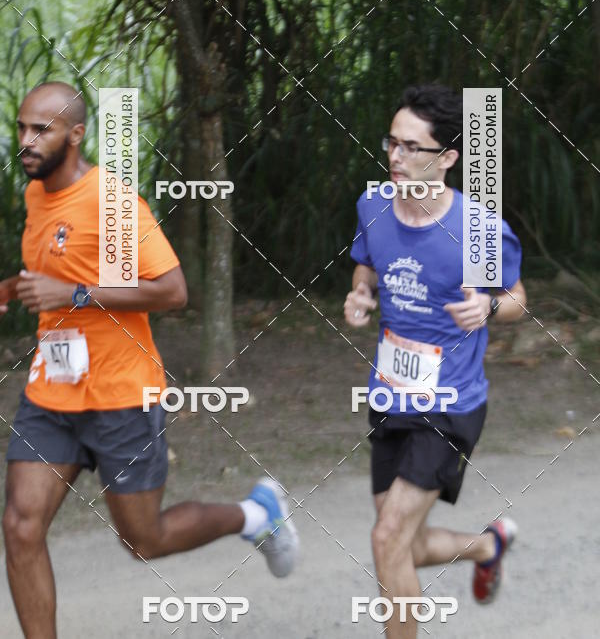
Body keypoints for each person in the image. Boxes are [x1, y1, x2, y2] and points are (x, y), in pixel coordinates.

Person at [1, 81, 298, 639]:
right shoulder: (38, 195)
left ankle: (257, 513)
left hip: (120, 396)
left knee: (144, 540)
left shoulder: (110, 204)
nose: (27, 141)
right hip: (53, 393)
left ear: (77, 134)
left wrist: (76, 296)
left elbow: (172, 291)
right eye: (21, 128)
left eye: (41, 130)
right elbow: (50, 272)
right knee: (20, 527)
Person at [344, 85, 525, 638]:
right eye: (391, 143)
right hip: (389, 392)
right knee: (402, 543)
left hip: (450, 404)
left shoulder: (477, 229)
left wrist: (487, 306)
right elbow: (366, 264)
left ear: (446, 157)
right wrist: (361, 294)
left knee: (385, 541)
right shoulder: (373, 206)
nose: (395, 157)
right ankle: (488, 545)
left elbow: (518, 299)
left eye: (411, 147)